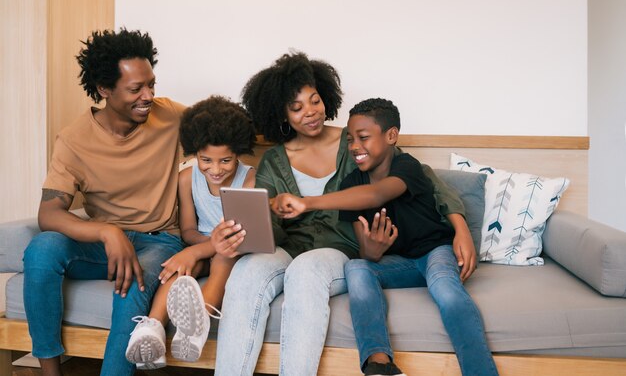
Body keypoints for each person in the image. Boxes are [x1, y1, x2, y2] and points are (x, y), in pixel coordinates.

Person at [214, 52, 473, 376]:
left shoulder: (356, 140)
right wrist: (266, 214)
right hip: (289, 248)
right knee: (246, 271)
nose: (310, 113)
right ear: (281, 114)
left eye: (314, 101)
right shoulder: (275, 160)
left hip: (341, 249)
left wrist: (460, 227)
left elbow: (423, 179)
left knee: (306, 271)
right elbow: (271, 230)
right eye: (296, 108)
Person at [272, 98, 498, 376]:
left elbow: (378, 193)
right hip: (400, 264)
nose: (355, 146)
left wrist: (307, 202)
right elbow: (366, 253)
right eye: (350, 140)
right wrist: (373, 249)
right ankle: (380, 365)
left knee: (447, 291)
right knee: (356, 267)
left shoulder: (407, 167)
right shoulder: (350, 185)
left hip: (434, 253)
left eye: (363, 138)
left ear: (391, 136)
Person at [22, 28, 187, 376]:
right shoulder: (73, 140)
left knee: (132, 283)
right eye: (135, 89)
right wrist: (107, 232)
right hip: (104, 246)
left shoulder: (169, 116)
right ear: (104, 89)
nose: (148, 95)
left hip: (159, 240)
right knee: (41, 250)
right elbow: (48, 213)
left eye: (151, 84)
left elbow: (223, 128)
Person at [125, 96, 256, 369]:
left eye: (226, 161)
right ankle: (152, 328)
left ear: (239, 154)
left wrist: (211, 247)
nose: (216, 169)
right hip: (203, 243)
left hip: (234, 250)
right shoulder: (186, 179)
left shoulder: (250, 180)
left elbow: (240, 238)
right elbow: (188, 230)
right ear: (194, 152)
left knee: (222, 256)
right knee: (180, 266)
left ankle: (199, 322)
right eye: (206, 160)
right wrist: (201, 246)